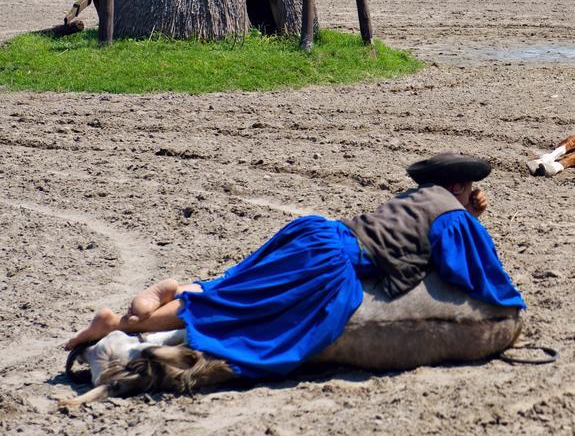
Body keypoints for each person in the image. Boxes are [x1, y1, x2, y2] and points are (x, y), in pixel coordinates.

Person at [64, 153, 525, 379]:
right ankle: (127, 321)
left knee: (240, 289)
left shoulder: (416, 199)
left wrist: (467, 213)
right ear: (463, 185)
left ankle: (158, 301)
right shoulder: (451, 213)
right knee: (253, 312)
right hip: (330, 261)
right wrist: (508, 298)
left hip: (316, 233)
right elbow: (473, 270)